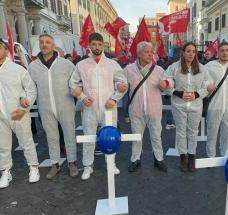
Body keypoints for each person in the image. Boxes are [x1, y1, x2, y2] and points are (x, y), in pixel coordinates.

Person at [69, 33, 128, 180]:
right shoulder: (81, 65)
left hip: (109, 107)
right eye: (94, 44)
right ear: (89, 45)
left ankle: (111, 163)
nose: (97, 47)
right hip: (90, 108)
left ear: (103, 45)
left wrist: (115, 99)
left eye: (99, 44)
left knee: (110, 137)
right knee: (89, 137)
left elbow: (122, 84)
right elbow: (73, 84)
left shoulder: (112, 64)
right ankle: (88, 166)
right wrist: (82, 97)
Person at [28, 34, 78, 179]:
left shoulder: (66, 64)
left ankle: (72, 162)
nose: (44, 44)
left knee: (69, 133)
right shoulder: (33, 67)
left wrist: (76, 91)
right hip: (45, 106)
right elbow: (30, 88)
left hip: (65, 104)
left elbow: (75, 81)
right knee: (51, 136)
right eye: (42, 42)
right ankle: (55, 164)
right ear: (39, 45)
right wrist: (26, 102)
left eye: (48, 42)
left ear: (53, 45)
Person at [163, 42, 210, 172]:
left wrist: (197, 94)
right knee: (181, 131)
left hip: (196, 105)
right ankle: (183, 157)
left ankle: (192, 156)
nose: (191, 54)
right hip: (179, 105)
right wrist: (177, 93)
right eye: (188, 51)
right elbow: (166, 81)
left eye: (193, 51)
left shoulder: (201, 68)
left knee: (193, 132)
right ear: (183, 53)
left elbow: (208, 85)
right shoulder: (174, 67)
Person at [0, 39, 40, 188]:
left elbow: (31, 89)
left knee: (26, 142)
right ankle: (5, 171)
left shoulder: (18, 69)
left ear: (6, 49)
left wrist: (24, 107)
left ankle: (33, 167)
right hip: (0, 116)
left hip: (18, 112)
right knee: (3, 145)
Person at [124, 41, 167, 173]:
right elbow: (120, 84)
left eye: (151, 52)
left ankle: (158, 159)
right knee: (137, 136)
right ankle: (135, 159)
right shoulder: (128, 69)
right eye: (146, 52)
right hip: (136, 109)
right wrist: (120, 86)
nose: (150, 54)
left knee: (156, 135)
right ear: (138, 53)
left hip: (154, 109)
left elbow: (168, 85)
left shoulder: (159, 70)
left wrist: (165, 85)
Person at [205, 41, 228, 157]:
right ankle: (210, 157)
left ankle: (225, 156)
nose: (224, 53)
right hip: (214, 106)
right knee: (212, 134)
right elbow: (203, 80)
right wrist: (208, 85)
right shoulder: (209, 66)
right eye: (222, 50)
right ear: (217, 52)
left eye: (227, 50)